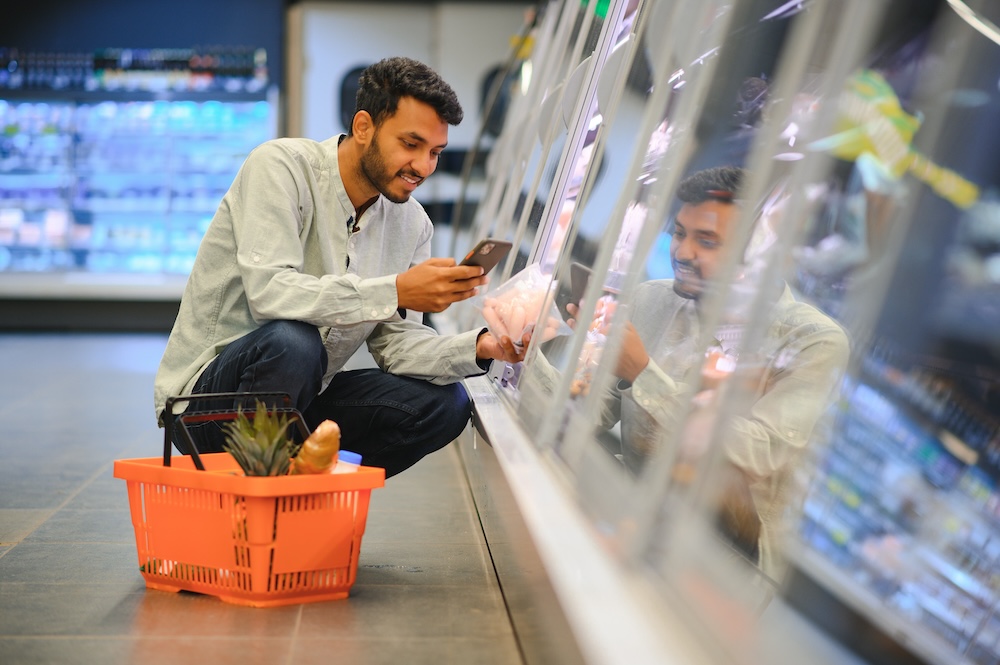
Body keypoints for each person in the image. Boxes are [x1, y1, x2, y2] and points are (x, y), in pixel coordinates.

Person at [154, 57, 525, 478]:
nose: (423, 167)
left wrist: (481, 346)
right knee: (294, 341)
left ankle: (307, 489)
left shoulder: (412, 223)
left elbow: (397, 346)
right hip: (208, 407)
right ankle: (265, 497)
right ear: (363, 126)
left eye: (435, 153)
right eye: (410, 144)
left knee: (445, 404)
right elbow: (269, 293)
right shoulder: (281, 167)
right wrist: (396, 291)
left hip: (301, 403)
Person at [534, 166, 850, 576]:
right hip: (624, 517)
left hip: (718, 564)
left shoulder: (812, 340)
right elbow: (588, 412)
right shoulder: (652, 300)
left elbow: (759, 452)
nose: (682, 252)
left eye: (707, 241)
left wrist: (643, 373)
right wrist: (524, 353)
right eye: (680, 233)